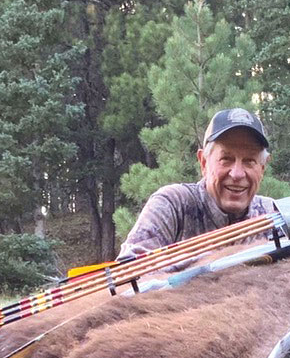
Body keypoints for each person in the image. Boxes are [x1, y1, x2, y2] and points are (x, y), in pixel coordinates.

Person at [118, 108, 277, 262]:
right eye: (226, 159)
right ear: (203, 162)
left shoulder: (274, 215)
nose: (237, 174)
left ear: (262, 169)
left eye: (249, 161)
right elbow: (128, 274)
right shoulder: (172, 205)